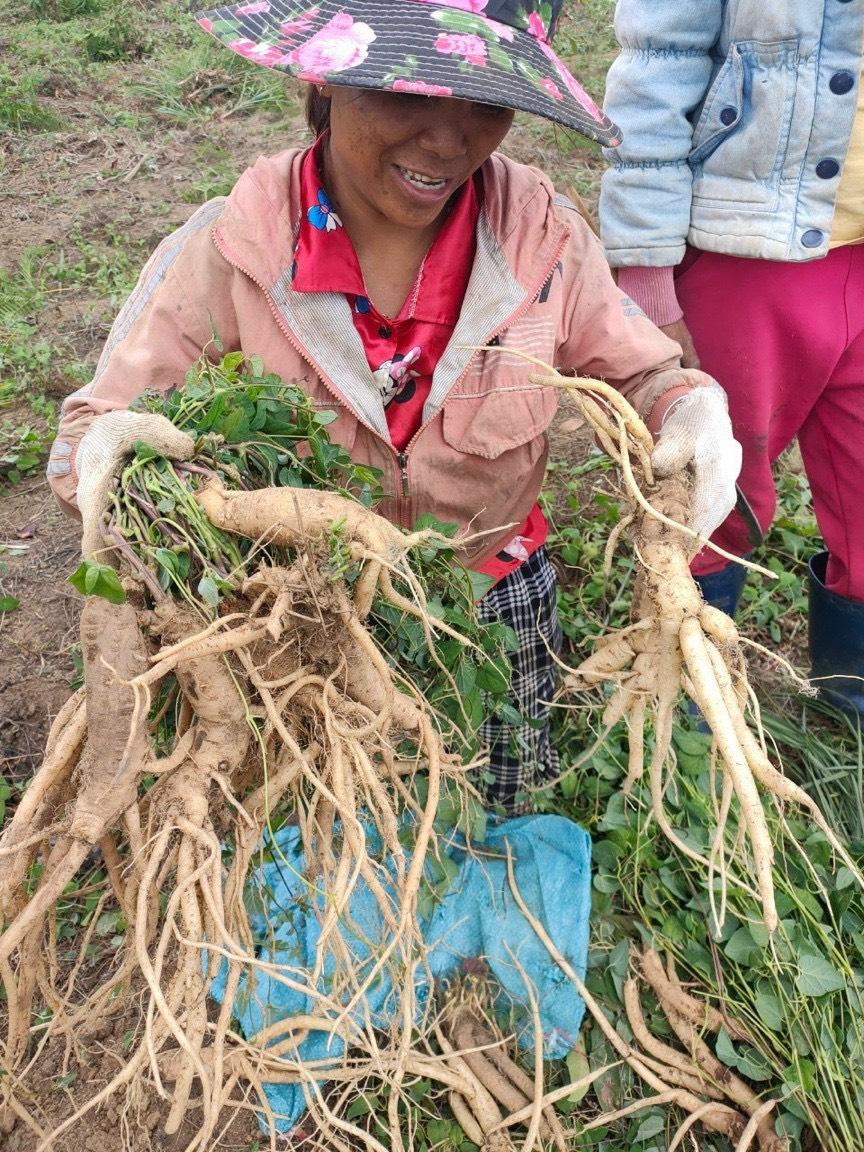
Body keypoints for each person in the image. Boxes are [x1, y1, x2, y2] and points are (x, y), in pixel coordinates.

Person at [46, 0, 740, 810]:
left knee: (498, 801)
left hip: (494, 589)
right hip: (297, 615)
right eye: (407, 95)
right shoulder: (233, 248)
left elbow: (640, 373)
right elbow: (94, 432)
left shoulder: (540, 235)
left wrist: (685, 404)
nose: (448, 143)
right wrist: (112, 456)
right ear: (326, 77)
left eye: (485, 105)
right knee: (318, 815)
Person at [599, 2, 864, 715]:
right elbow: (659, 58)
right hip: (747, 248)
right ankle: (684, 694)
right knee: (714, 486)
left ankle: (851, 708)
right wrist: (646, 263)